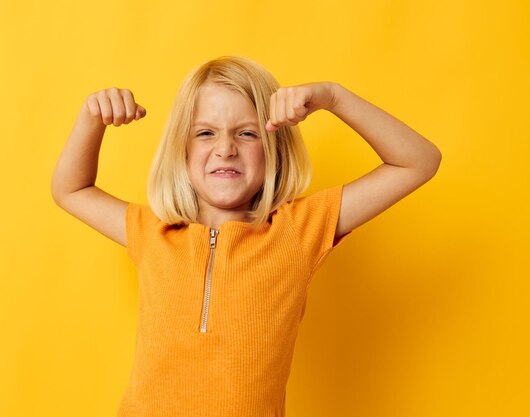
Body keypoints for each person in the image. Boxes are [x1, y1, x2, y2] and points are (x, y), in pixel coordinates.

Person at [50, 55, 441, 417]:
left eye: (248, 134)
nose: (225, 149)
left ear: (275, 149)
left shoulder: (299, 230)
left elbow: (418, 161)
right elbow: (70, 189)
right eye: (205, 132)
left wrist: (334, 97)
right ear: (181, 150)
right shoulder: (152, 232)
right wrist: (92, 117)